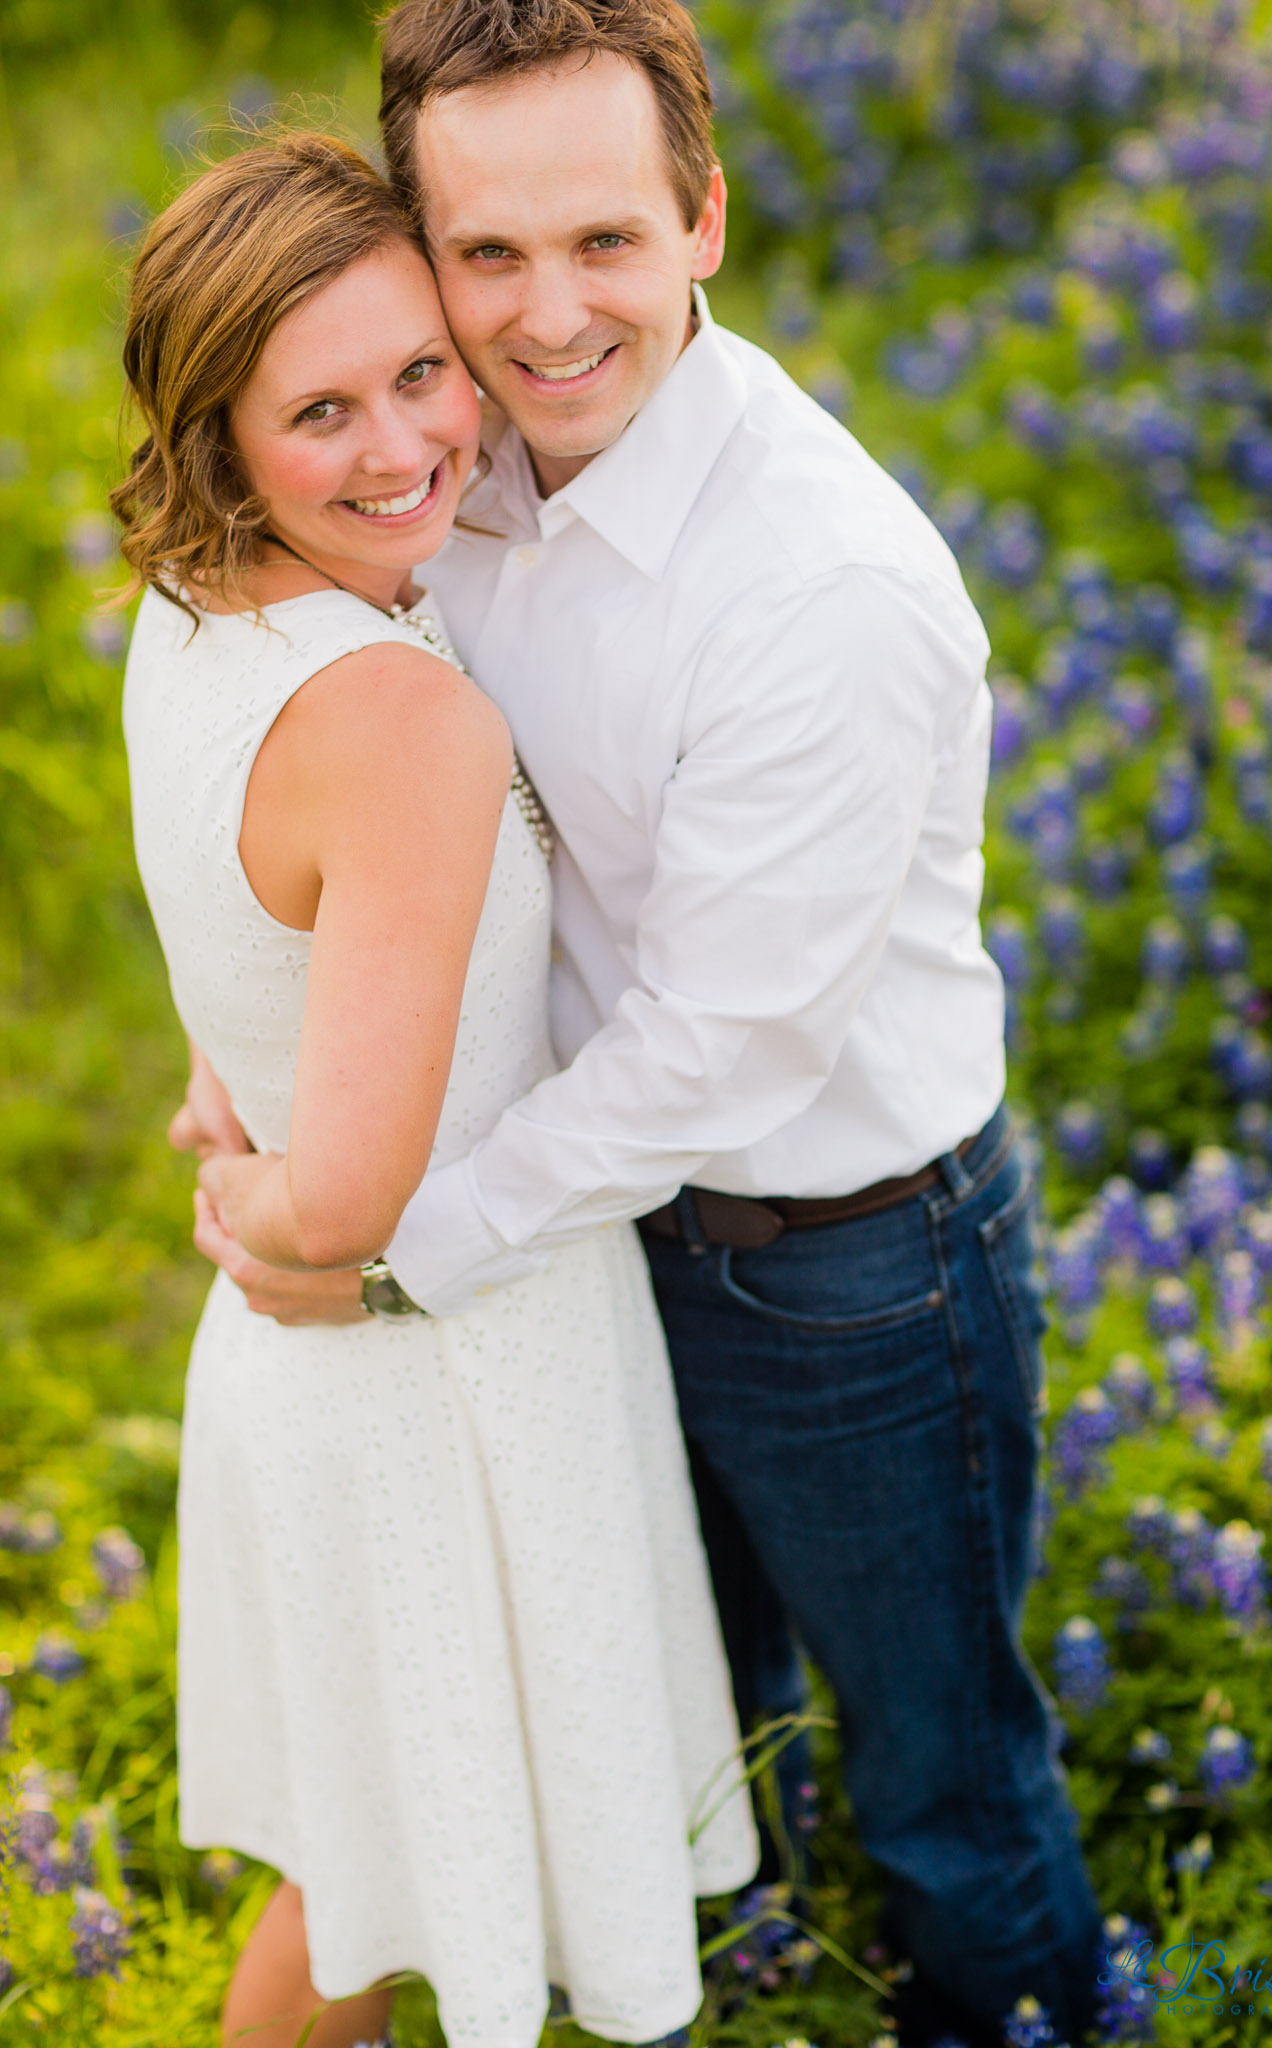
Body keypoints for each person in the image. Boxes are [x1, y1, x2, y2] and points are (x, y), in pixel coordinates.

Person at [181, 2, 1105, 2042]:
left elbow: (718, 1056)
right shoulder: (439, 450)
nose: (542, 314)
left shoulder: (819, 586)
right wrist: (247, 1049)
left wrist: (384, 1254)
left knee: (939, 1772)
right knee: (681, 1719)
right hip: (584, 1233)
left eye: (599, 240)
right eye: (484, 255)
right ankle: (749, 1986)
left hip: (844, 1268)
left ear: (700, 216)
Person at [115, 131, 756, 2048]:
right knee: (374, 1908)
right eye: (322, 408)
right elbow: (360, 1202)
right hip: (440, 1382)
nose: (405, 447)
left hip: (316, 1394)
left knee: (366, 1888)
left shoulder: (194, 614)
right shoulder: (407, 718)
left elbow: (256, 919)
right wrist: (261, 1203)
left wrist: (234, 1082)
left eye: (422, 371)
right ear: (221, 435)